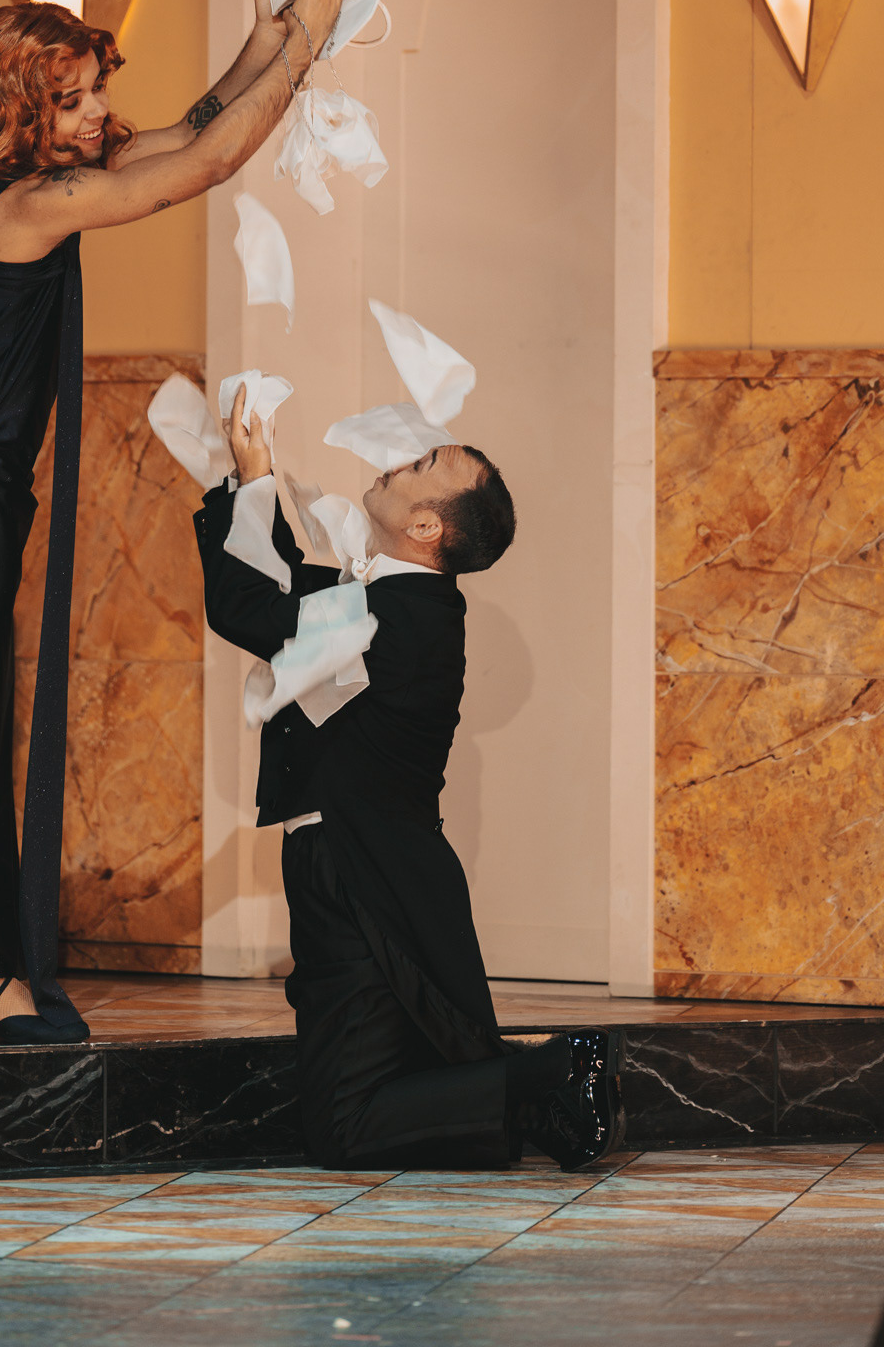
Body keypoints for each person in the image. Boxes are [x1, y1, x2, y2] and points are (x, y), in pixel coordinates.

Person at [0, 0, 344, 1045]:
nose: (97, 115)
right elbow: (209, 166)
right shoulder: (35, 203)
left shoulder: (36, 179)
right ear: (23, 108)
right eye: (75, 100)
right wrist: (309, 46)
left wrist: (266, 39)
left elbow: (188, 131)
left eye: (96, 93)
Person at [194, 390, 626, 1169]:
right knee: (377, 1088)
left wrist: (255, 483)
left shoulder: (396, 617)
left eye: (418, 464)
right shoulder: (392, 603)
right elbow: (280, 589)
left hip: (362, 876)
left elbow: (251, 609)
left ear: (426, 526)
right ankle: (542, 1100)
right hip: (367, 866)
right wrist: (245, 478)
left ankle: (555, 1070)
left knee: (345, 1126)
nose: (394, 462)